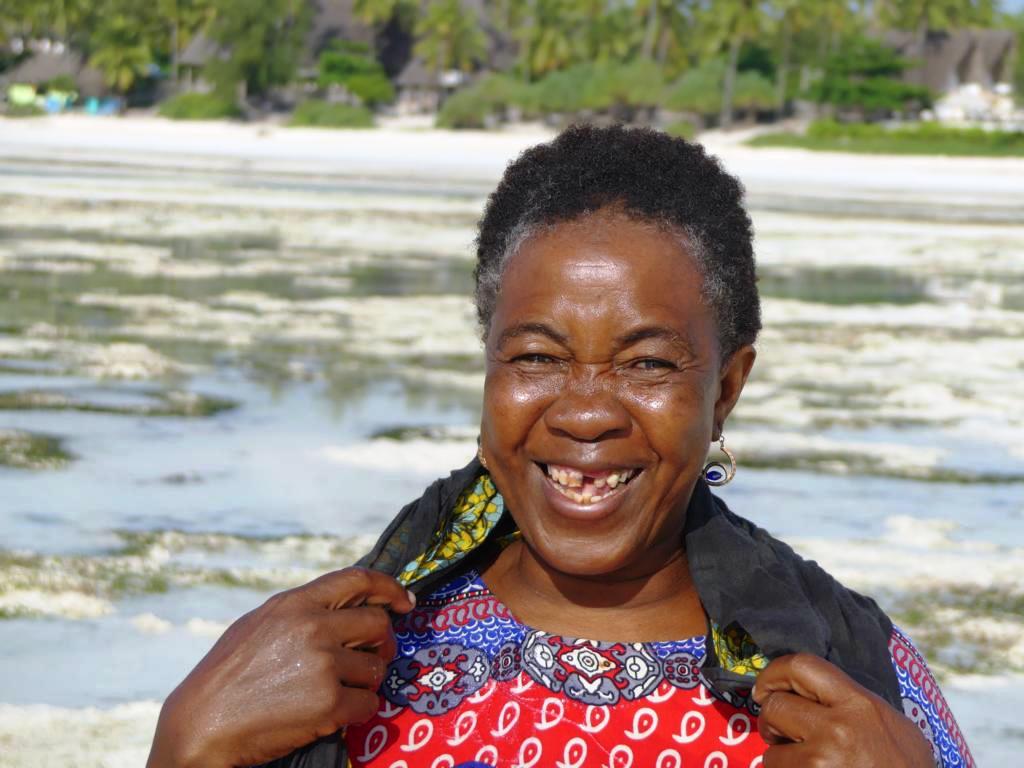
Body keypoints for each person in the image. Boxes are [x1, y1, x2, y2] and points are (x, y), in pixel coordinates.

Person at [147, 125, 972, 768]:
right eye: (537, 357)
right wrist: (187, 746)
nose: (584, 414)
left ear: (724, 390)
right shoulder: (344, 658)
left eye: (648, 363)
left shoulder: (853, 689)